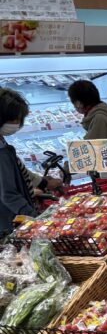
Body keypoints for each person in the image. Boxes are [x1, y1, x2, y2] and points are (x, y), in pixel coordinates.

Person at [0, 89, 41, 235]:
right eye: (14, 119)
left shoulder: (3, 143)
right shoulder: (2, 153)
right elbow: (8, 195)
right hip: (8, 224)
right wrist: (36, 218)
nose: (17, 124)